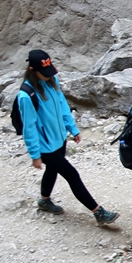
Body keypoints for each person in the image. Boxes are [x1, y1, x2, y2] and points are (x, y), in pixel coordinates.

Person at [18, 49, 119, 225]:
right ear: (33, 70)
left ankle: (44, 200)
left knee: (52, 170)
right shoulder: (26, 96)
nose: (49, 75)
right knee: (72, 174)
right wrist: (35, 155)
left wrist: (72, 128)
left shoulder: (51, 81)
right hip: (45, 146)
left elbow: (63, 105)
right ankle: (98, 212)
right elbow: (29, 127)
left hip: (59, 138)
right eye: (44, 73)